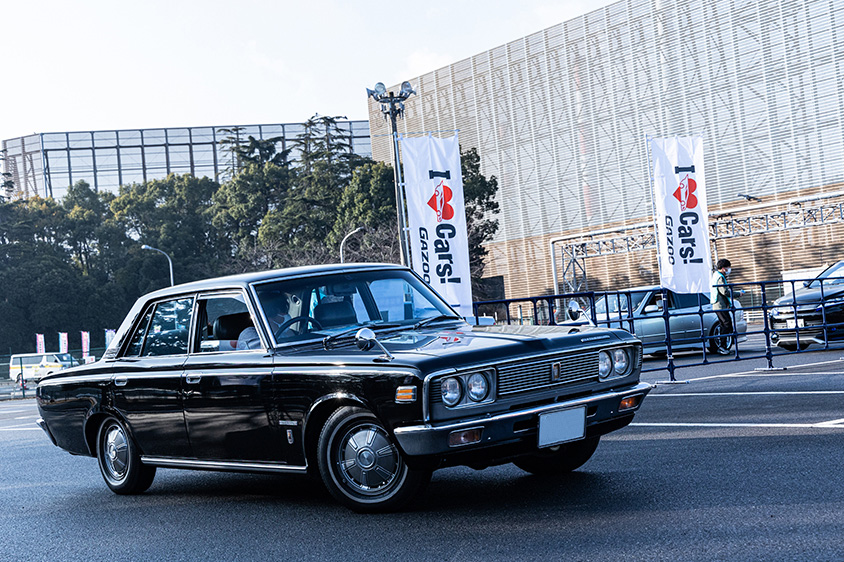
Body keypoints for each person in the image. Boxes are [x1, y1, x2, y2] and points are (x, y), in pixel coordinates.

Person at [710, 258, 744, 351]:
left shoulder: (715, 275)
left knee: (723, 324)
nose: (729, 270)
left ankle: (722, 345)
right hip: (720, 305)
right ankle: (722, 346)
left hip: (717, 304)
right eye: (728, 267)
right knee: (726, 324)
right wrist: (737, 294)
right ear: (724, 268)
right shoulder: (720, 277)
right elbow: (724, 291)